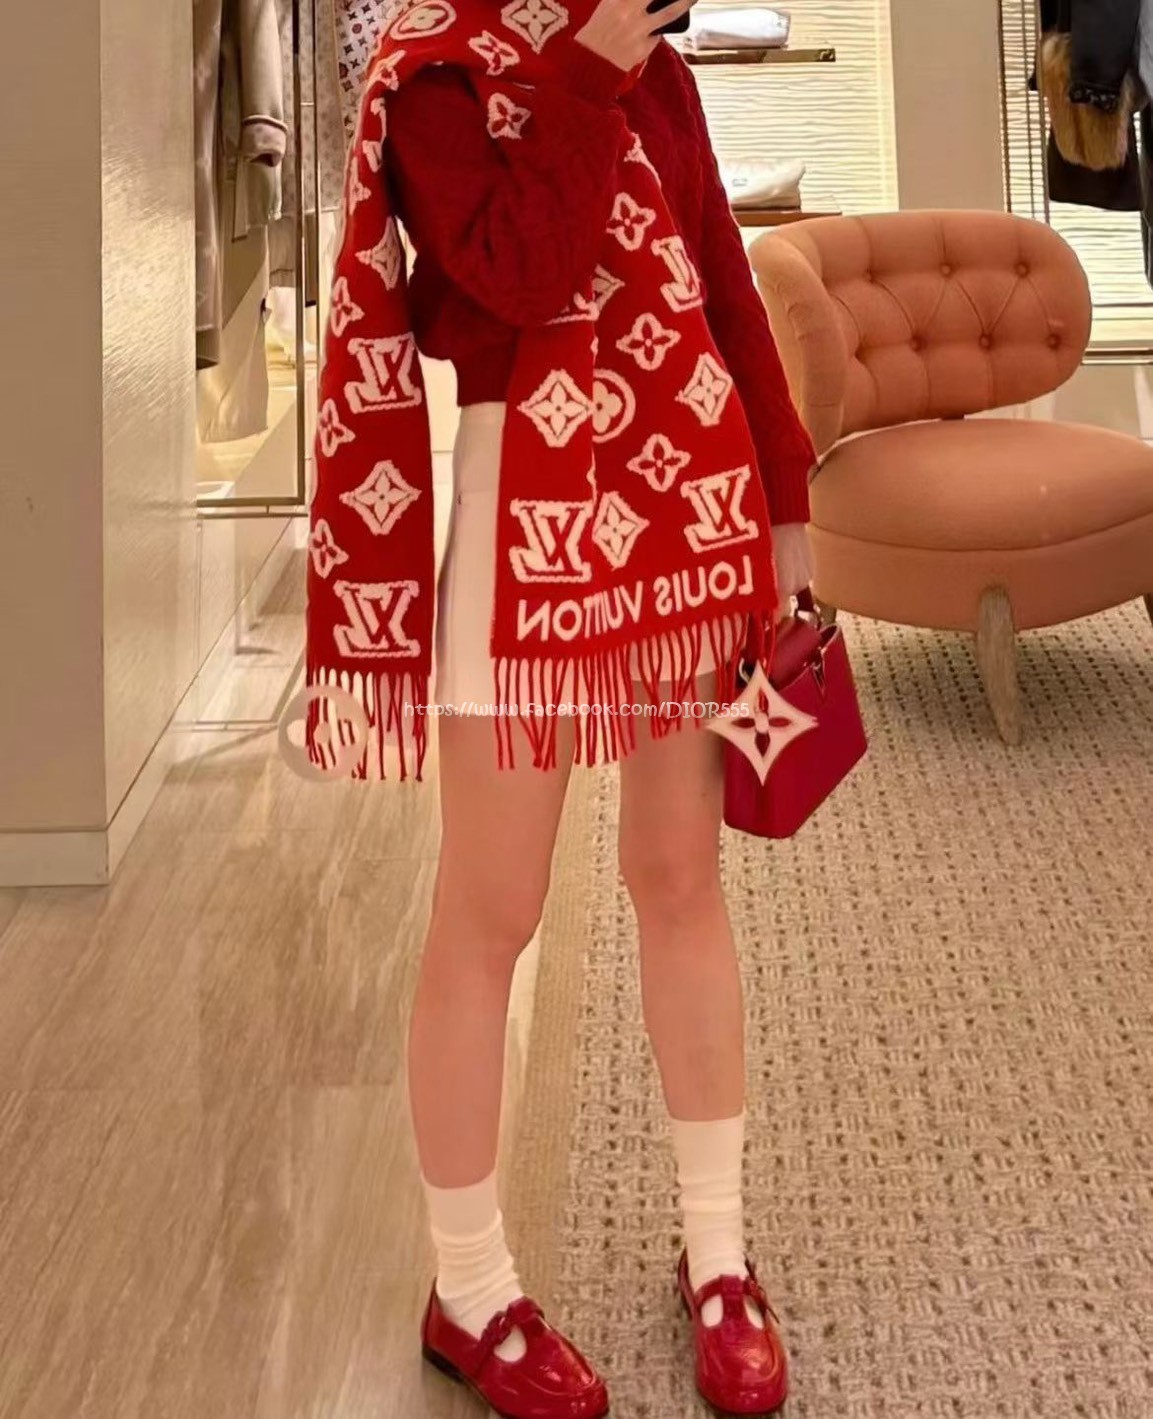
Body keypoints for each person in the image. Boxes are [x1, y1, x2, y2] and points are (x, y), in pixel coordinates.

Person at [307, 1, 817, 1414]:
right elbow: (519, 275)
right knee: (491, 910)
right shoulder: (430, 72)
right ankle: (468, 1288)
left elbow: (720, 281)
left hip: (690, 511)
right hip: (516, 526)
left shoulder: (651, 68)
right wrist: (587, 76)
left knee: (680, 878)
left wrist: (783, 498)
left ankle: (719, 1256)